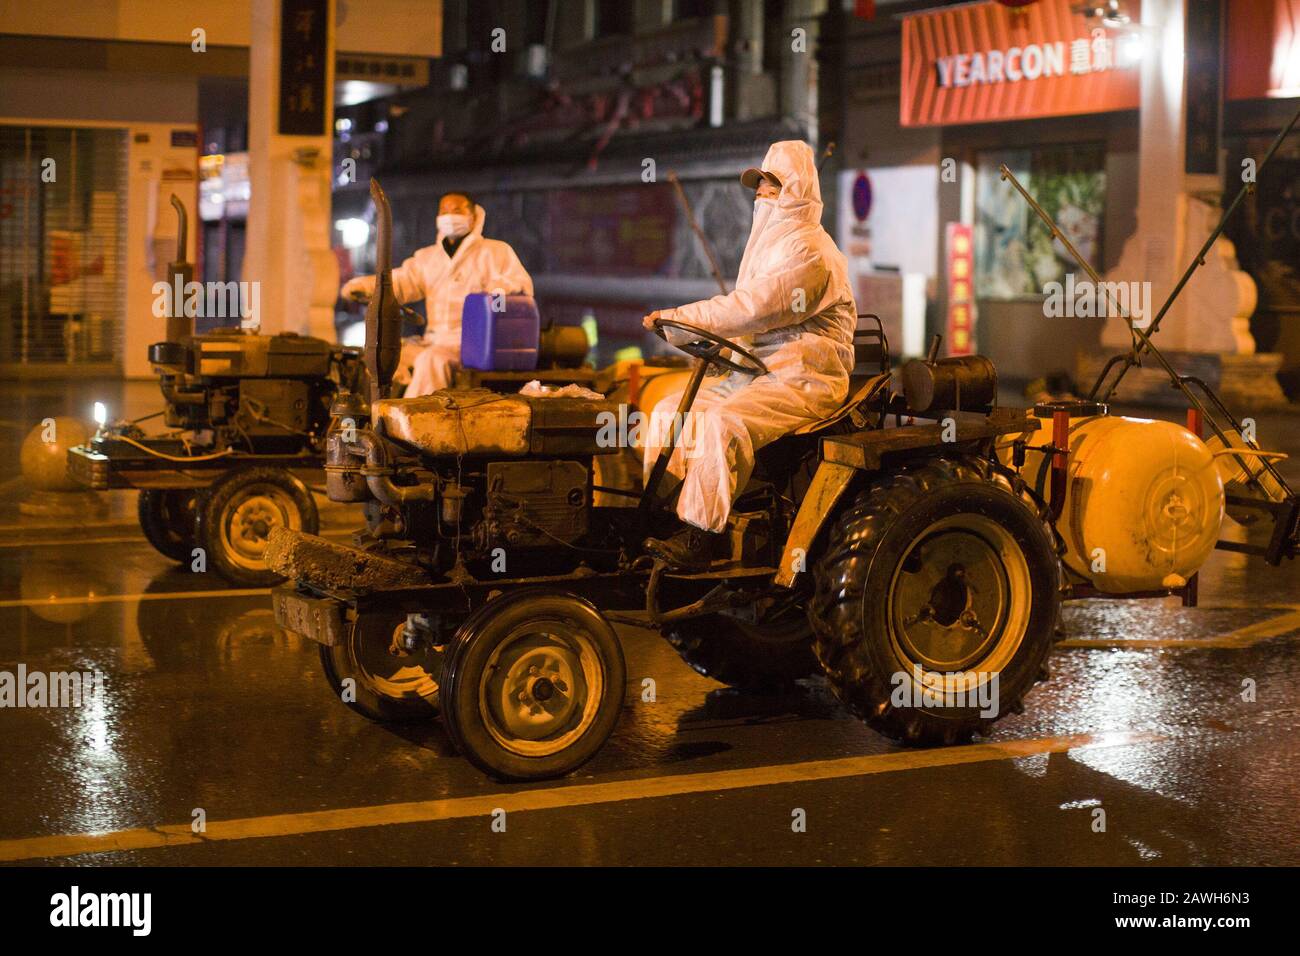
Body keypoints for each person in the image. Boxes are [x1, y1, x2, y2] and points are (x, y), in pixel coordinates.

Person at [640, 140, 857, 570]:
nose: (760, 192)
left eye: (771, 185)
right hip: (757, 375)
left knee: (724, 425)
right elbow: (748, 319)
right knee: (668, 411)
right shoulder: (767, 249)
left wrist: (679, 318)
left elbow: (754, 309)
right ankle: (661, 519)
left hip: (803, 379)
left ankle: (703, 538)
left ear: (796, 190)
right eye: (758, 184)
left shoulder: (813, 253)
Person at [341, 191, 533, 395]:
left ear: (475, 215)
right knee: (380, 356)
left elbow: (520, 284)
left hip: (471, 344)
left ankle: (415, 420)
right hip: (434, 340)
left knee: (431, 361)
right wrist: (366, 286)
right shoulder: (428, 258)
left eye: (457, 210)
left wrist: (496, 291)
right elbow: (402, 281)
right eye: (444, 211)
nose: (450, 216)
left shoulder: (495, 252)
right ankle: (373, 416)